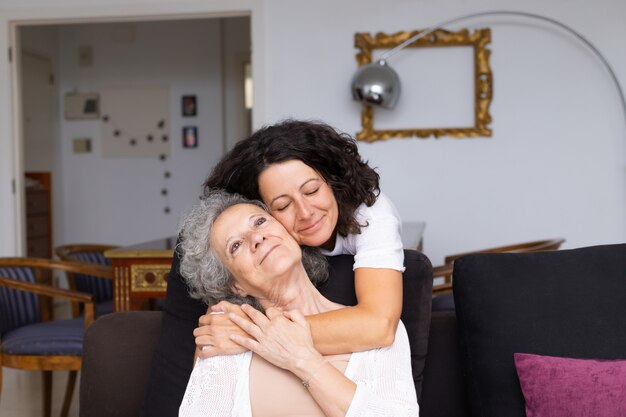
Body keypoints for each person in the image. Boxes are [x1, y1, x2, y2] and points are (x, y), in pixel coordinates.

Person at [178, 191, 418, 416]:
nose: (257, 238)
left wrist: (301, 360)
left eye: (260, 222)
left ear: (288, 232)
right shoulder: (226, 340)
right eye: (236, 245)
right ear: (235, 286)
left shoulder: (380, 330)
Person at [194, 119, 405, 358]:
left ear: (332, 180)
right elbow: (215, 329)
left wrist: (251, 337)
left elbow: (379, 326)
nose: (306, 213)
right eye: (283, 206)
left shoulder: (372, 215)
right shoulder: (261, 241)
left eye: (312, 191)